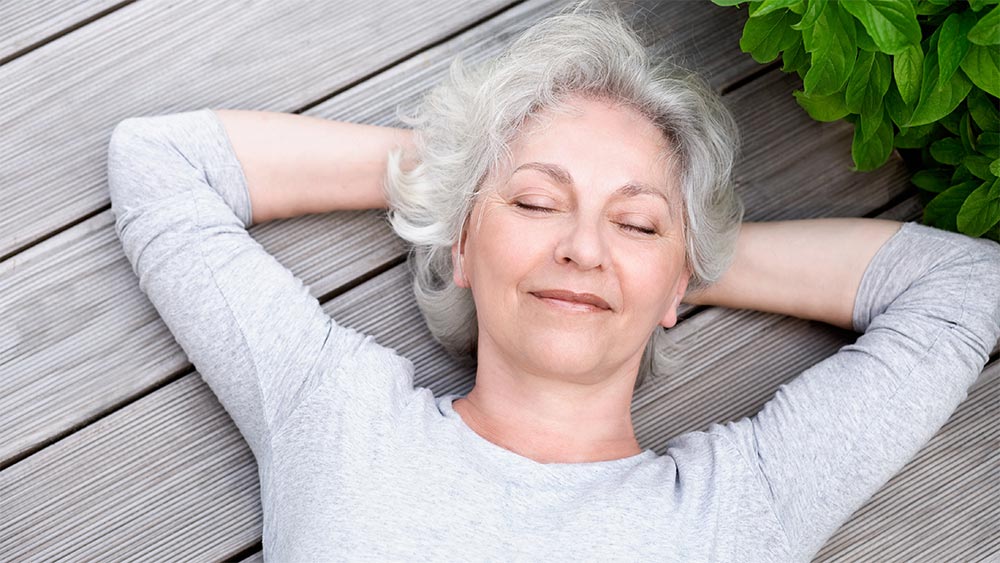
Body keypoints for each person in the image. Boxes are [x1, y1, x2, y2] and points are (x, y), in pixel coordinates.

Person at [105, 4, 1000, 562]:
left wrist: (682, 260)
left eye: (634, 220)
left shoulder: (744, 506)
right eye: (537, 202)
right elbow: (159, 165)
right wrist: (454, 173)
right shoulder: (334, 418)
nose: (583, 247)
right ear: (462, 244)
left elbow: (965, 283)